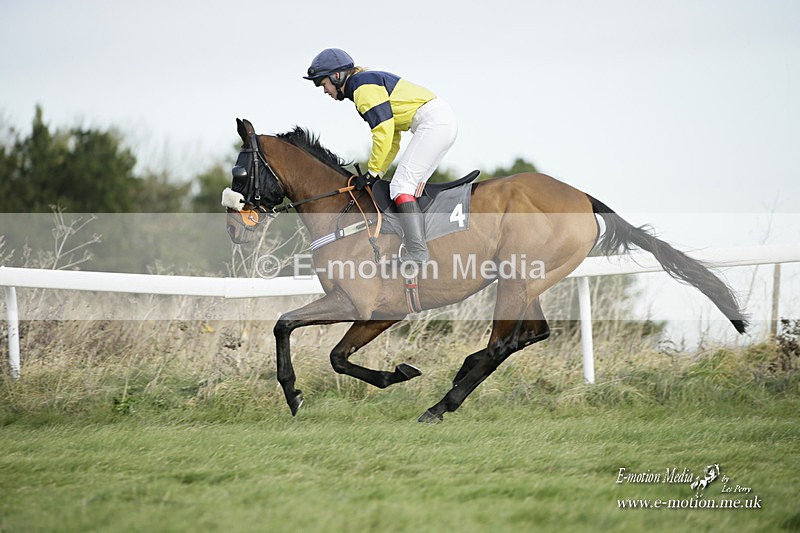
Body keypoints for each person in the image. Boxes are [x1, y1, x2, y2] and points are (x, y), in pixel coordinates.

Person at [303, 48, 458, 264]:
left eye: (323, 83)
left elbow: (382, 132)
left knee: (400, 186)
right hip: (439, 121)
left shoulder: (361, 88)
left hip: (433, 123)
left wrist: (373, 172)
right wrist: (377, 173)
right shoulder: (364, 83)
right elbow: (392, 138)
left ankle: (418, 253)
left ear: (337, 76)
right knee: (409, 187)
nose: (325, 90)